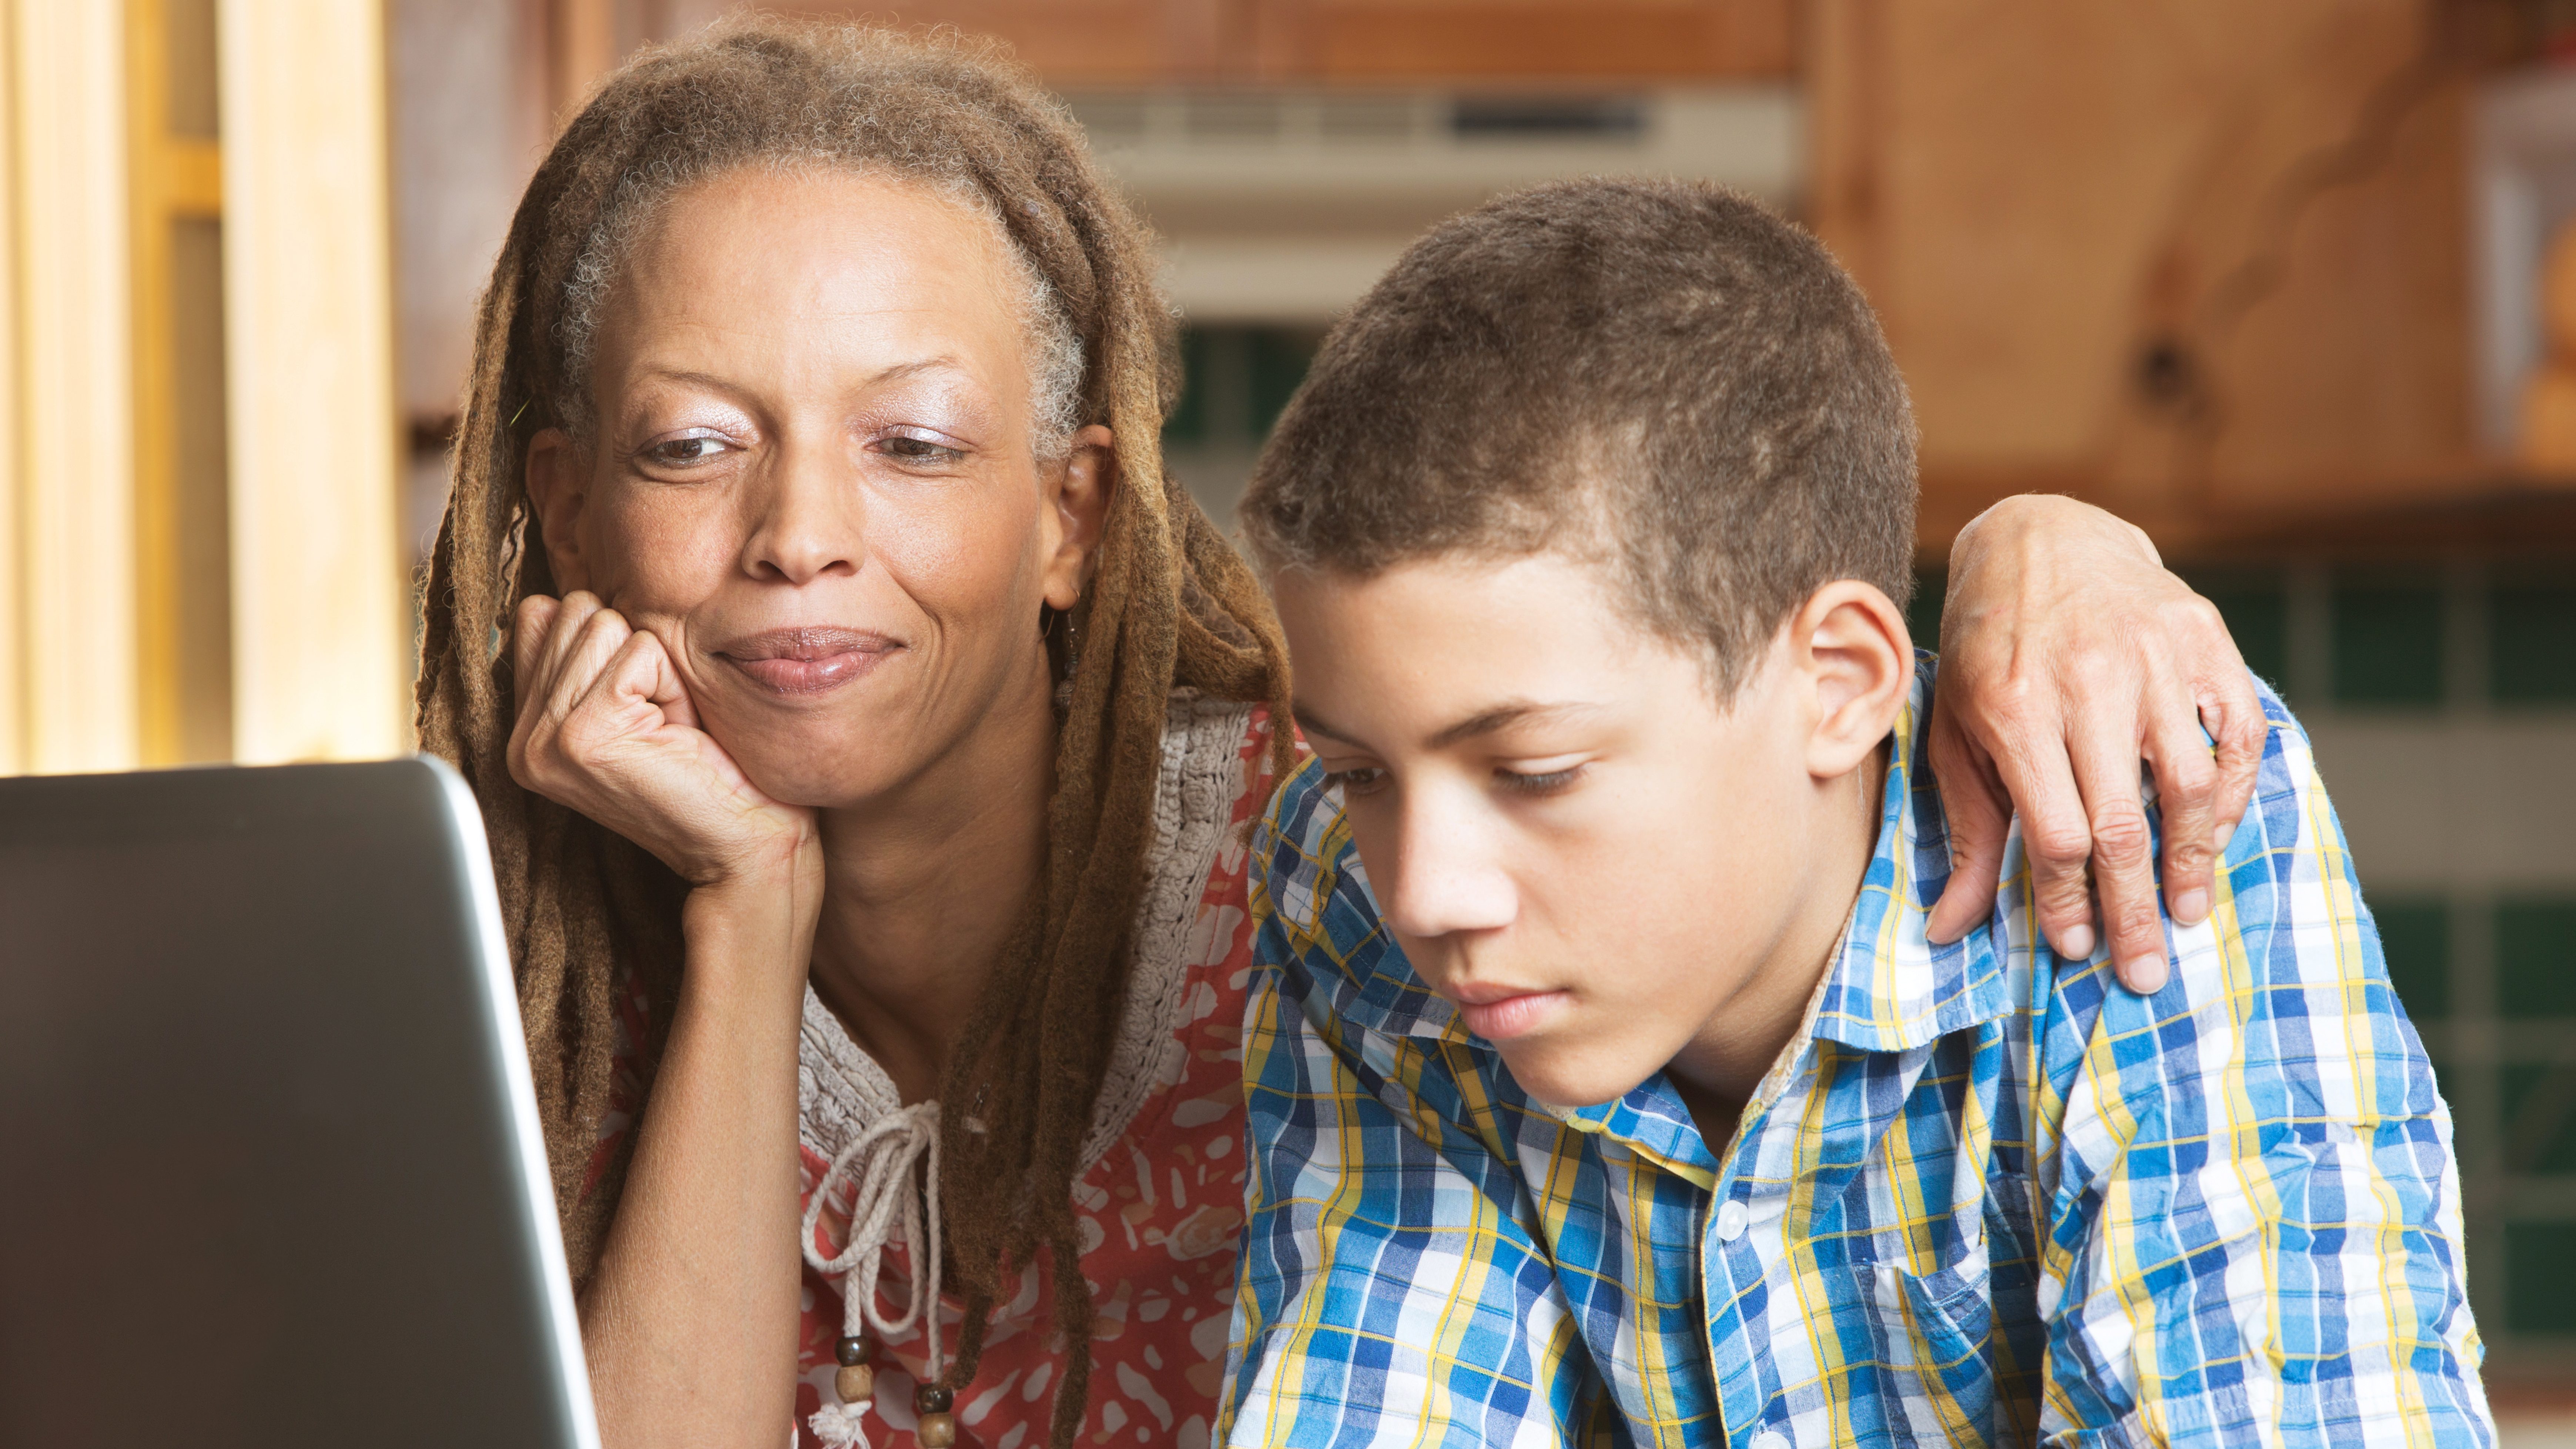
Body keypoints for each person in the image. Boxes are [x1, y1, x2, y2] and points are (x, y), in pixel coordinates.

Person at [413, 20, 2271, 1449]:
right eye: (689, 445)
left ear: (1073, 515)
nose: (800, 531)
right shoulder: (516, 951)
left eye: (912, 442)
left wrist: (2055, 543)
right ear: (566, 509)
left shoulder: (1352, 867)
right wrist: (750, 907)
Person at [1226, 179, 2492, 1446]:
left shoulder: (2139, 808)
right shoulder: (1345, 894)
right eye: (1362, 772)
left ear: (1836, 687)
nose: (1428, 892)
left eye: (1536, 771)